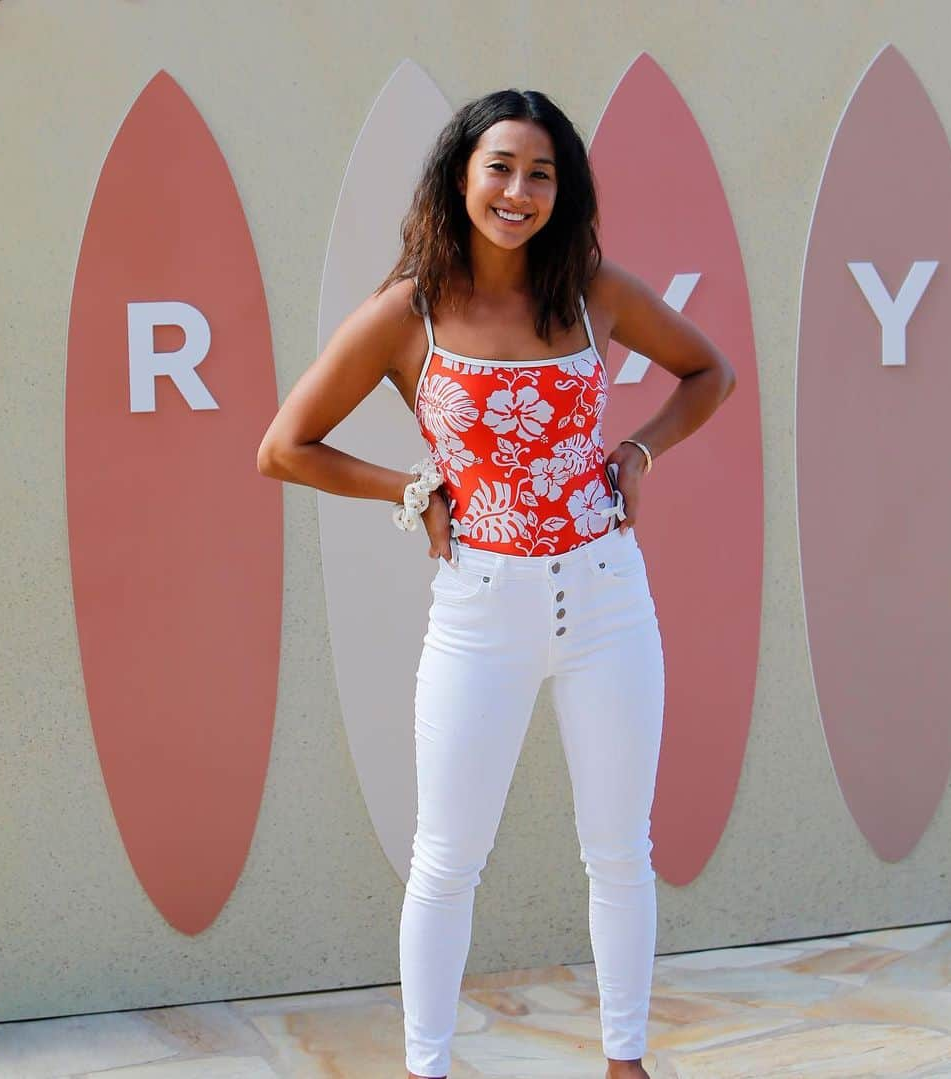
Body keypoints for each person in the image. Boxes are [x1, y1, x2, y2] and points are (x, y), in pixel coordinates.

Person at [258, 88, 735, 1079]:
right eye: (501, 167)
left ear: (563, 189)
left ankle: (625, 1060)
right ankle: (424, 1067)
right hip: (482, 610)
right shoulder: (409, 310)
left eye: (541, 173)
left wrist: (640, 451)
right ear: (460, 177)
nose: (519, 190)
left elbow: (708, 372)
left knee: (618, 850)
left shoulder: (595, 290)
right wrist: (410, 490)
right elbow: (284, 445)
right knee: (446, 858)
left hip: (609, 599)